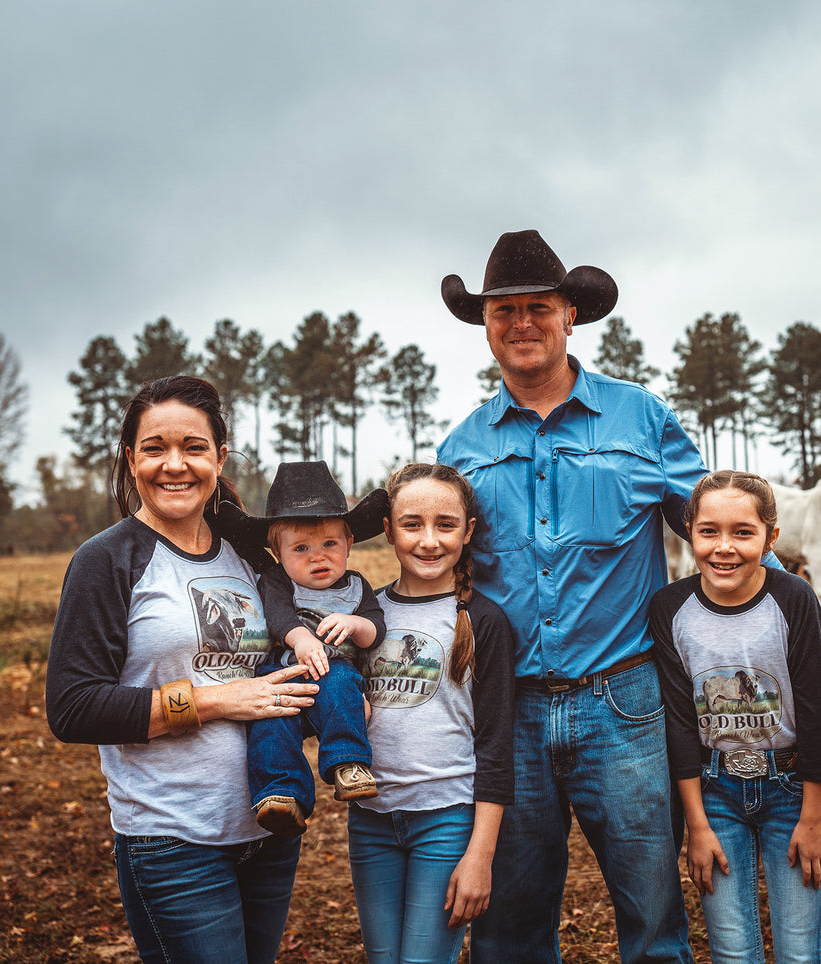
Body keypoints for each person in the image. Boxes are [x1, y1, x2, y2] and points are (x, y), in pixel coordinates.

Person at [436, 229, 704, 963]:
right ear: (484, 324)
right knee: (508, 929)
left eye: (538, 307)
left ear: (569, 315)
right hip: (507, 709)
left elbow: (718, 528)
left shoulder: (640, 417)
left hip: (625, 703)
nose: (521, 323)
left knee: (653, 918)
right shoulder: (461, 448)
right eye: (504, 310)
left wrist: (793, 629)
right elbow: (439, 577)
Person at [46, 374, 320, 964]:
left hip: (269, 830)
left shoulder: (250, 557)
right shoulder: (107, 559)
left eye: (194, 448)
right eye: (155, 448)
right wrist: (218, 700)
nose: (175, 465)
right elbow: (73, 708)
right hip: (172, 841)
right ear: (131, 459)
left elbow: (280, 663)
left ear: (219, 458)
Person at [650, 471, 821, 964]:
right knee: (732, 950)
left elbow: (820, 713)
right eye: (708, 531)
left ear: (770, 537)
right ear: (688, 531)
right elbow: (679, 723)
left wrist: (813, 819)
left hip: (791, 791)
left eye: (743, 532)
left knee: (800, 950)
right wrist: (696, 825)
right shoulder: (670, 608)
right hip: (714, 795)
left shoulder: (794, 598)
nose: (724, 547)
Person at [348, 462, 515, 964]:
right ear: (388, 530)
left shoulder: (484, 621)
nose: (428, 541)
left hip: (447, 821)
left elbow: (496, 745)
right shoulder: (366, 616)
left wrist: (480, 854)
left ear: (468, 530)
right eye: (411, 524)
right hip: (370, 819)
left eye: (445, 525)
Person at [240, 460, 391, 839]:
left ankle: (348, 764)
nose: (317, 556)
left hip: (334, 670)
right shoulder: (278, 581)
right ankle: (281, 791)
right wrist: (301, 638)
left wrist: (354, 624)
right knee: (271, 718)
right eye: (301, 548)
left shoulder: (357, 586)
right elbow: (276, 615)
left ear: (349, 543)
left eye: (329, 544)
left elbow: (375, 631)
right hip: (286, 671)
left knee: (344, 690)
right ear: (279, 553)